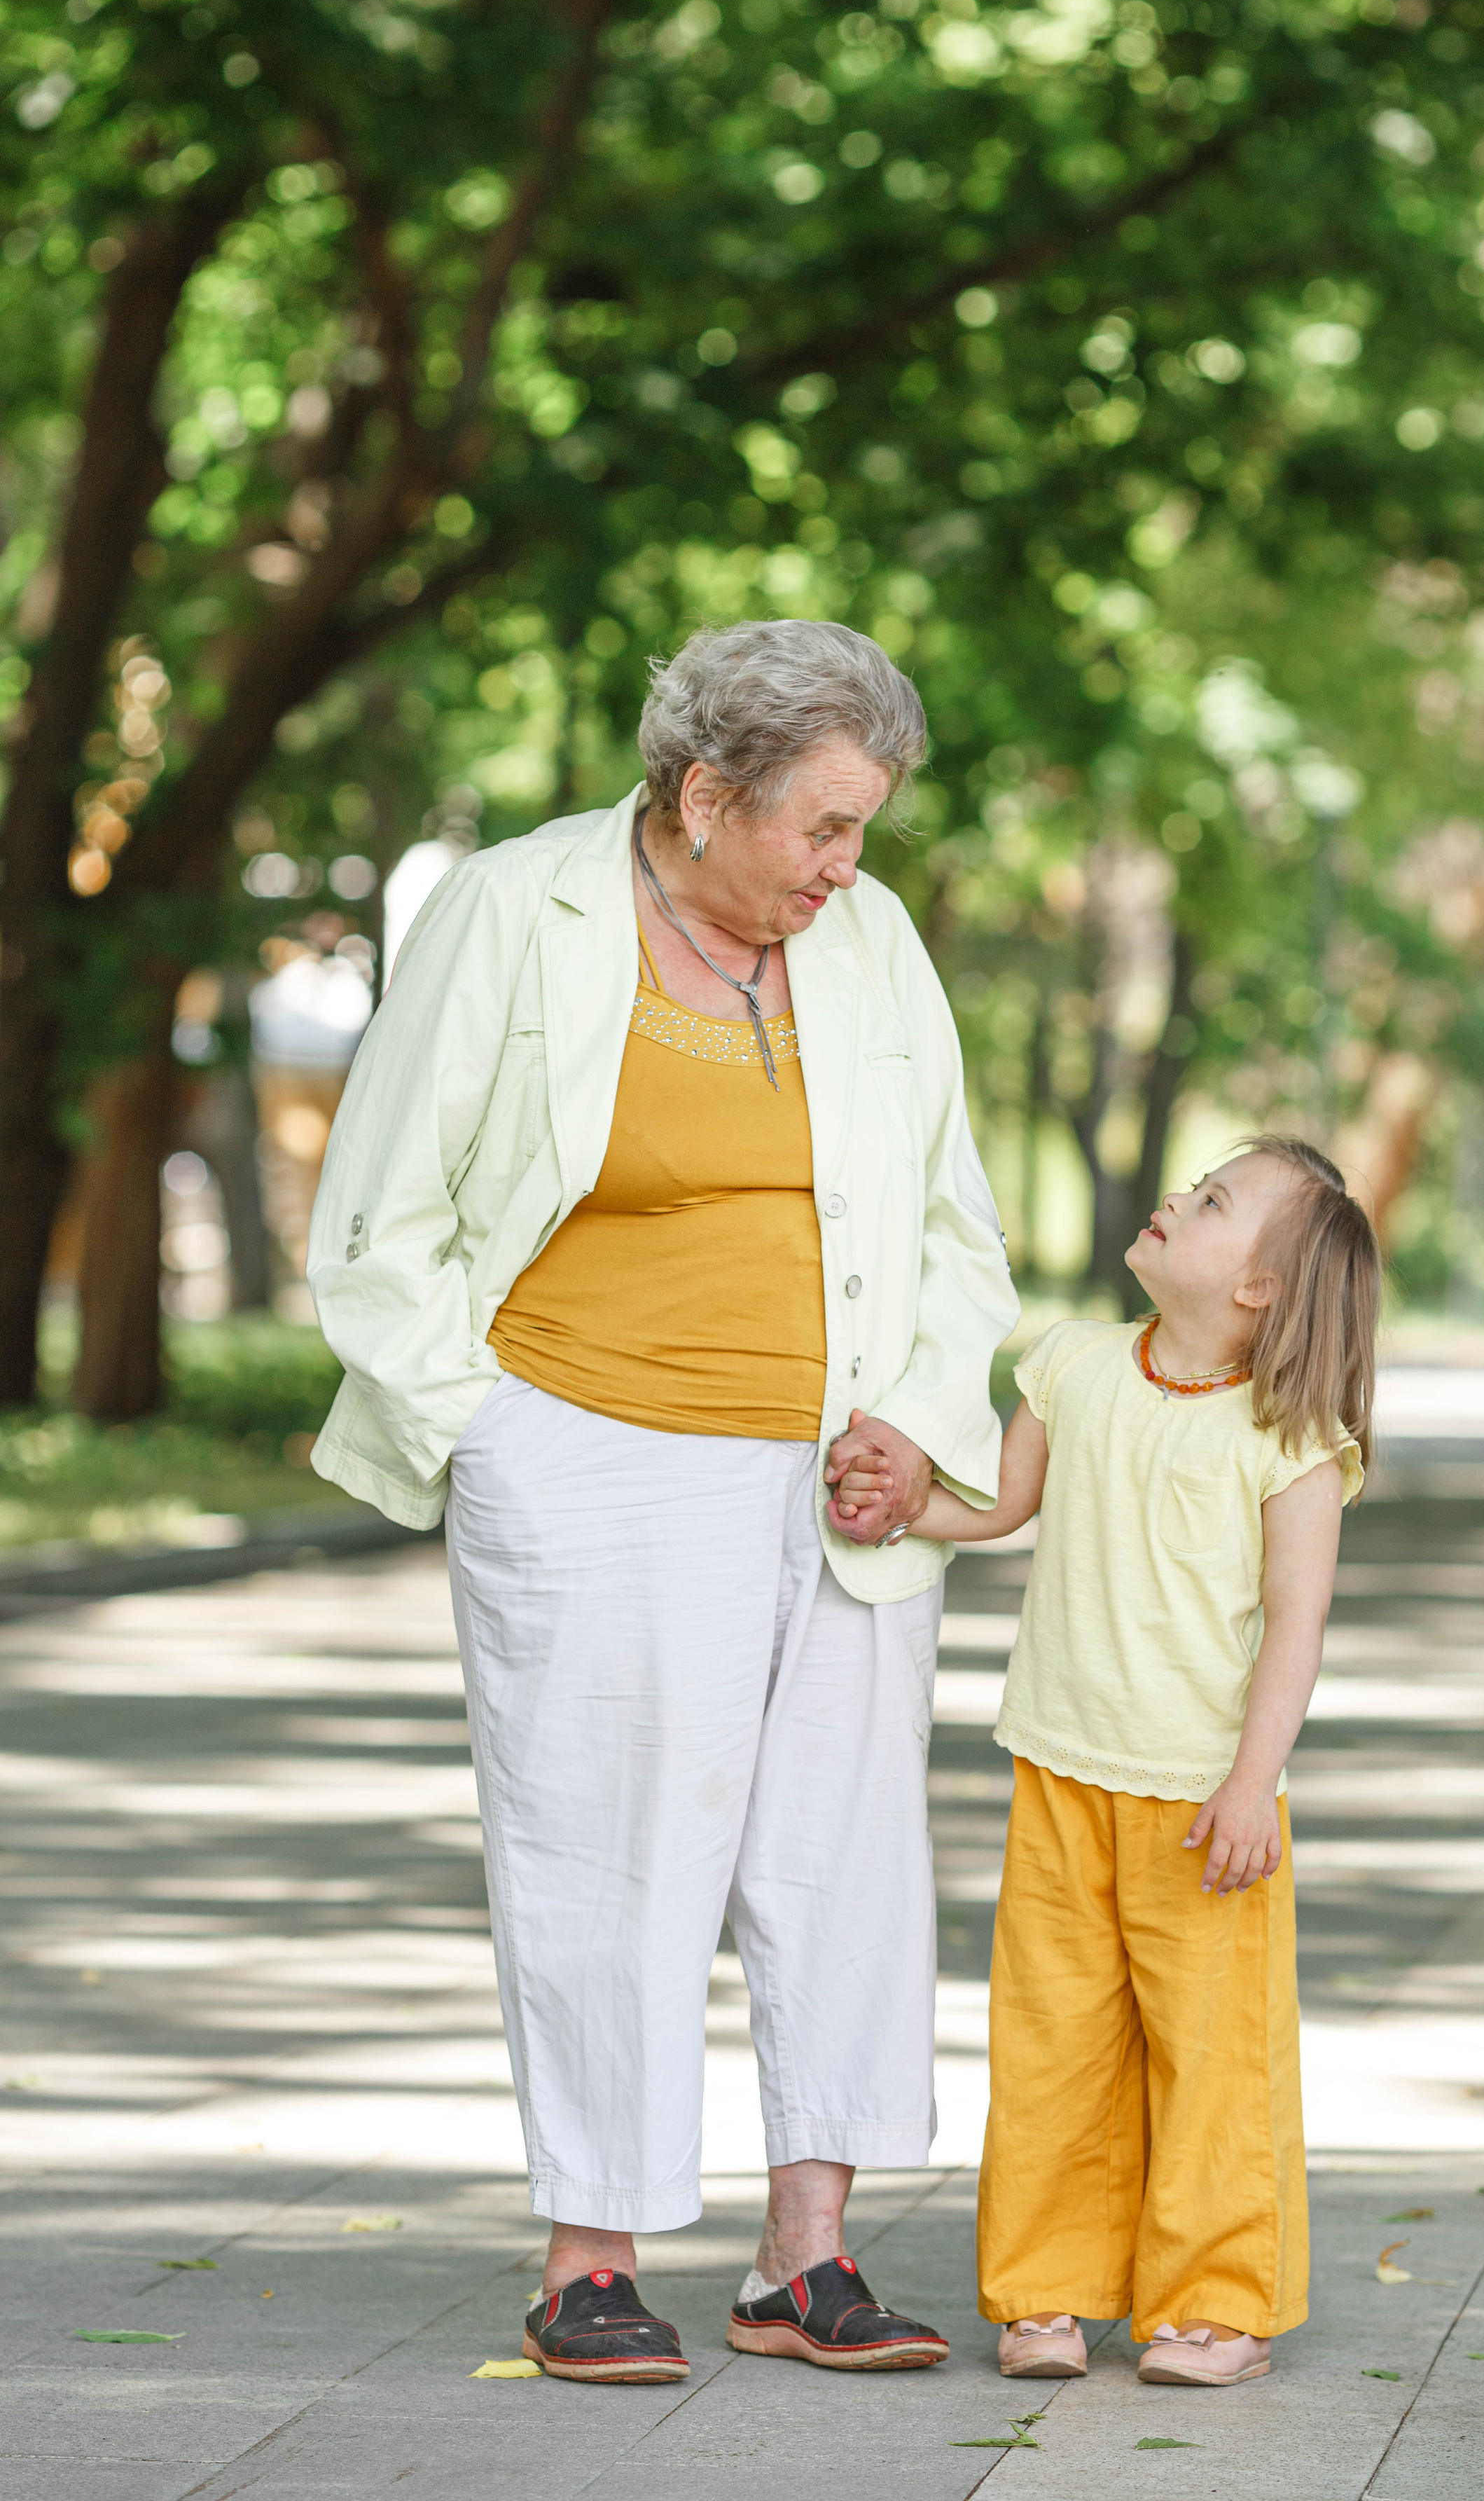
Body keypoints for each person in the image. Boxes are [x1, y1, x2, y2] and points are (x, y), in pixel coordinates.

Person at [306, 620, 1016, 2382]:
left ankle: (807, 2259)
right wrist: (494, 1431)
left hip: (837, 1473)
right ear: (705, 797)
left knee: (839, 1858)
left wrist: (920, 1428)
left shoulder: (871, 943)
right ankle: (590, 2260)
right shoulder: (514, 911)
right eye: (822, 828)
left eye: (866, 830)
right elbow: (376, 1222)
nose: (848, 866)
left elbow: (953, 1227)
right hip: (589, 1448)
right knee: (609, 1851)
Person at [842, 1138, 1376, 2388]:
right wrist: (901, 1503)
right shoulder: (1076, 1362)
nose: (1173, 1204)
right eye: (1192, 1189)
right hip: (1063, 1772)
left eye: (1210, 1205)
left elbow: (1297, 1628)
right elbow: (998, 1505)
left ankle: (1215, 2301)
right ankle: (1049, 2291)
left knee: (1213, 2055)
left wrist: (1255, 1783)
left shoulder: (1288, 1437)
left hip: (1206, 1806)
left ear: (1256, 1289)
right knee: (1053, 2042)